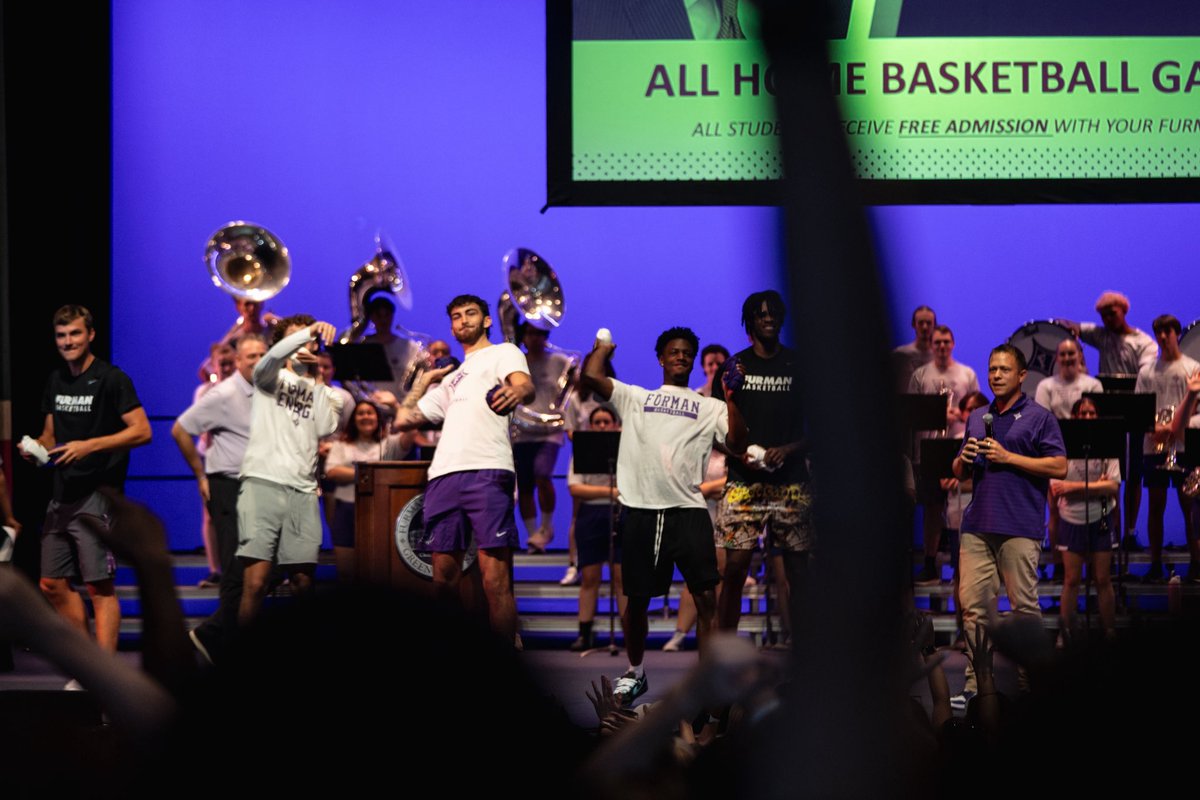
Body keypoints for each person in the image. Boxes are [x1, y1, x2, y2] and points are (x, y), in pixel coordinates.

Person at [582, 325, 747, 706]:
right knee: (637, 601)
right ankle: (635, 673)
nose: (681, 356)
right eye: (674, 351)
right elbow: (591, 377)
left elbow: (737, 444)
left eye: (687, 352)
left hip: (689, 512)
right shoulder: (636, 397)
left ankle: (708, 683)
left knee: (706, 599)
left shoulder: (710, 406)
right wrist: (603, 348)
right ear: (661, 358)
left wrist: (731, 399)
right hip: (642, 511)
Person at [381, 294, 533, 643]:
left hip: (487, 470)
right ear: (451, 327)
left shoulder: (504, 352)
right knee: (442, 580)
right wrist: (424, 381)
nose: (463, 320)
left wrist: (518, 392)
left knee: (495, 580)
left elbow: (524, 385)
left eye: (470, 313)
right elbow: (404, 419)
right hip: (444, 476)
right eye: (456, 316)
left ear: (487, 320)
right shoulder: (451, 380)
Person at [18, 305, 152, 658]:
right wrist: (36, 448)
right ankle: (86, 661)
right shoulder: (56, 379)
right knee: (51, 583)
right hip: (62, 493)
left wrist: (89, 445)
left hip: (98, 494)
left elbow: (142, 431)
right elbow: (50, 434)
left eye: (75, 333)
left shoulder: (112, 378)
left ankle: (104, 673)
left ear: (90, 334)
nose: (68, 342)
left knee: (98, 586)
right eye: (61, 336)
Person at [951, 344, 1066, 707]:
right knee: (974, 610)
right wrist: (963, 459)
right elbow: (958, 470)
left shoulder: (1039, 417)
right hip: (977, 525)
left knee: (1024, 610)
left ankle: (1029, 687)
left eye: (1004, 369)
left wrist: (1009, 457)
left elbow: (1059, 466)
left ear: (1021, 376)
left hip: (1019, 525)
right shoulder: (977, 416)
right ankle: (976, 685)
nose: (996, 375)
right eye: (992, 369)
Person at [712, 291, 810, 641]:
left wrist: (788, 449)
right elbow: (715, 428)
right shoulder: (733, 367)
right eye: (760, 313)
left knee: (799, 572)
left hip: (792, 482)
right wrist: (740, 454)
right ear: (749, 321)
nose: (768, 318)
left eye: (773, 313)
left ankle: (806, 651)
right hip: (743, 482)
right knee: (735, 569)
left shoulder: (799, 365)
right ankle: (725, 650)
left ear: (782, 318)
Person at [236, 315, 345, 624]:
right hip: (262, 483)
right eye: (296, 337)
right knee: (256, 583)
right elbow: (269, 360)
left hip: (304, 491)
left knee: (303, 582)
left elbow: (324, 426)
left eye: (310, 339)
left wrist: (318, 377)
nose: (305, 342)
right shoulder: (269, 377)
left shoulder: (328, 392)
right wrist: (309, 331)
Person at [171, 334, 267, 660]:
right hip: (229, 486)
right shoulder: (223, 394)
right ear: (238, 361)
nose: (257, 361)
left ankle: (211, 635)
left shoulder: (266, 391)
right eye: (251, 356)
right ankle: (223, 644)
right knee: (236, 570)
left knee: (267, 568)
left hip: (259, 487)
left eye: (262, 354)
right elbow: (180, 429)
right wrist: (200, 475)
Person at [1061, 291, 1158, 547]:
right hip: (1107, 416)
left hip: (1134, 415)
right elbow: (1070, 326)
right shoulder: (1101, 335)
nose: (1107, 319)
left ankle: (1130, 532)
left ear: (1124, 311)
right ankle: (1112, 531)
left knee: (1133, 474)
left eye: (1112, 314)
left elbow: (1146, 374)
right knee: (1111, 475)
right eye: (1103, 316)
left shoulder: (1143, 342)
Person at [909, 324, 979, 585]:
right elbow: (912, 411)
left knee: (964, 500)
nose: (941, 346)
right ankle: (930, 562)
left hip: (958, 445)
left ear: (953, 344)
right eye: (937, 342)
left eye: (946, 342)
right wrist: (937, 414)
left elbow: (977, 406)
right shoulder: (920, 374)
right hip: (929, 448)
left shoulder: (966, 373)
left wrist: (958, 415)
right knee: (932, 506)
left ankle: (964, 559)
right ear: (932, 345)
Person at [1134, 314, 1199, 582]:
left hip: (1184, 444)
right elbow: (1140, 408)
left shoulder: (1192, 367)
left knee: (1189, 504)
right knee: (1155, 504)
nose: (1162, 337)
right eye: (1158, 333)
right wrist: (1154, 428)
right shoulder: (1147, 372)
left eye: (1167, 332)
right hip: (1155, 446)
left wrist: (1176, 427)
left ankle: (1196, 562)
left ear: (1176, 334)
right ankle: (1155, 563)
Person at [1051, 397, 1120, 641]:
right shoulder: (1061, 447)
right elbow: (1058, 488)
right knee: (1071, 580)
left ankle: (1109, 631)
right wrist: (1096, 487)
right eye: (1083, 413)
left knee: (1102, 579)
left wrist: (1073, 487)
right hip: (1071, 520)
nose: (1088, 417)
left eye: (1092, 413)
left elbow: (1113, 486)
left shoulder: (1108, 446)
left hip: (1100, 519)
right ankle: (1065, 633)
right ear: (1075, 417)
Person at [324, 400, 415, 582]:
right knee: (346, 573)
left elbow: (411, 432)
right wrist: (371, 475)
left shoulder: (389, 444)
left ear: (377, 418)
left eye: (370, 412)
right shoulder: (342, 445)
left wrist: (396, 406)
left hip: (379, 511)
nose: (365, 416)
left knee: (378, 572)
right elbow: (332, 471)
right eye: (360, 413)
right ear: (353, 419)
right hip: (346, 510)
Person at [566, 404, 626, 651]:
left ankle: (629, 632)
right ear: (590, 426)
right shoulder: (581, 450)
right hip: (590, 515)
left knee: (621, 577)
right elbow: (575, 487)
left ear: (615, 425)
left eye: (606, 422)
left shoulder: (626, 450)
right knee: (589, 577)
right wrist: (610, 492)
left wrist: (616, 494)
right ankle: (584, 632)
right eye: (597, 422)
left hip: (620, 513)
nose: (602, 426)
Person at [514, 323, 573, 553]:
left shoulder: (559, 361)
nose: (535, 338)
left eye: (540, 333)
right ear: (523, 337)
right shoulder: (516, 362)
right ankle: (533, 536)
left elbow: (571, 390)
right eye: (530, 333)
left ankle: (547, 527)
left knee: (542, 473)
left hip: (550, 431)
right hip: (521, 431)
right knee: (525, 484)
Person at [1033, 338, 1103, 421]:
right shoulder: (1044, 386)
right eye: (1062, 354)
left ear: (1080, 356)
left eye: (1071, 353)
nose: (1067, 358)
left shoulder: (1094, 385)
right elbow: (1042, 420)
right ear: (1056, 358)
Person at [892, 305, 937, 391]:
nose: (924, 327)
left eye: (928, 323)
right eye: (921, 323)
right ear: (913, 324)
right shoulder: (900, 355)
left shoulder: (938, 357)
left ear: (934, 325)